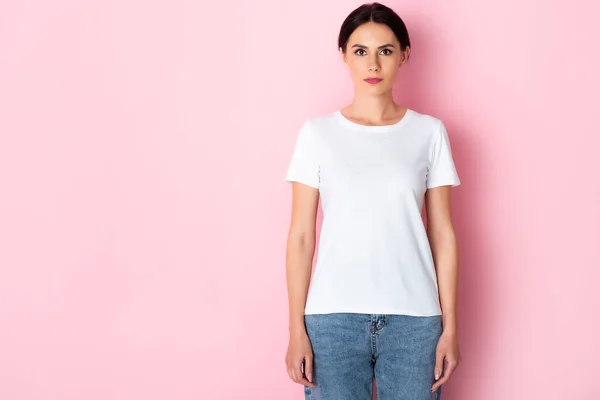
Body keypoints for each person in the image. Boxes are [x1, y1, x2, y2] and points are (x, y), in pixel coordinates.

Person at [283, 2, 462, 399]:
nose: (373, 64)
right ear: (344, 55)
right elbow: (300, 237)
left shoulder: (429, 133)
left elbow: (443, 234)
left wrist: (450, 328)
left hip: (415, 321)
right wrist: (297, 328)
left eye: (385, 50)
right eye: (361, 51)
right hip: (332, 321)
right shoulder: (317, 134)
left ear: (404, 55)